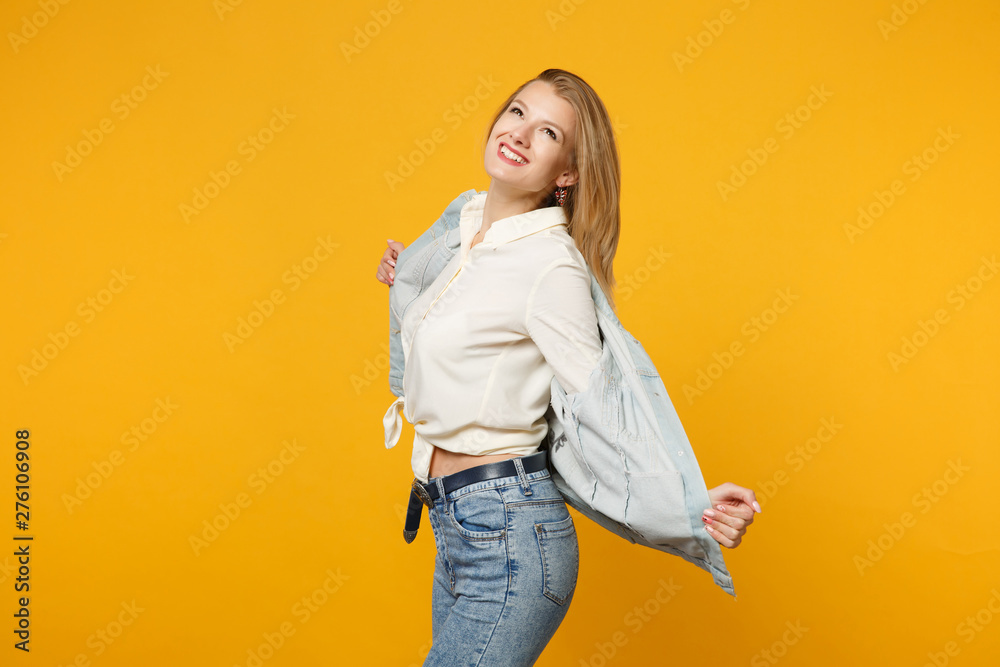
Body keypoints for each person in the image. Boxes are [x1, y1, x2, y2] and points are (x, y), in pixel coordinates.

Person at [375, 68, 759, 666]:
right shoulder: (463, 226)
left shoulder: (550, 266)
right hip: (453, 522)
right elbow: (446, 338)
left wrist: (692, 508)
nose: (521, 133)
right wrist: (411, 281)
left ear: (567, 174)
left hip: (508, 534)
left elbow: (603, 405)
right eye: (517, 112)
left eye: (548, 132)